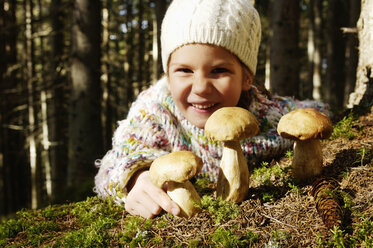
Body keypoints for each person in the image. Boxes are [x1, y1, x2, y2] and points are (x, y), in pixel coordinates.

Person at [94, 0, 329, 219]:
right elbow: (116, 161)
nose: (201, 88)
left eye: (218, 71)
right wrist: (137, 177)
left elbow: (314, 113)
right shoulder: (154, 114)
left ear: (246, 77)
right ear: (167, 76)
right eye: (185, 70)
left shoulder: (265, 111)